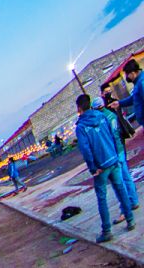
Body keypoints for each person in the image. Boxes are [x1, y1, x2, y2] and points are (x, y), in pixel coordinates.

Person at [75, 93, 135, 243]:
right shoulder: (102, 117)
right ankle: (130, 220)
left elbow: (86, 149)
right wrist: (115, 153)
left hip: (100, 167)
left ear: (79, 108)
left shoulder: (81, 127)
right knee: (120, 190)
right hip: (113, 159)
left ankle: (107, 231)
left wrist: (93, 168)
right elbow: (113, 135)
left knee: (102, 198)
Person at [93, 97, 140, 213]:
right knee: (126, 175)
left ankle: (126, 207)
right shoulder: (111, 115)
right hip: (120, 148)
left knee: (119, 180)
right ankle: (134, 201)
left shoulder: (102, 119)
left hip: (113, 152)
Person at [113, 60, 144, 129]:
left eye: (127, 74)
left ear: (133, 73)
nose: (127, 77)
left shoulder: (142, 82)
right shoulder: (138, 83)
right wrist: (119, 103)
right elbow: (134, 98)